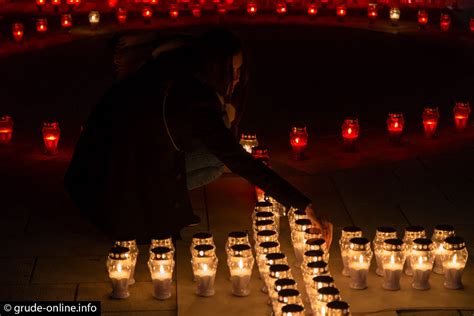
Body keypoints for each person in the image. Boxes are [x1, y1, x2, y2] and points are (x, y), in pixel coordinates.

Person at [64, 28, 333, 245]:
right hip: (115, 188)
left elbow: (173, 40)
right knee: (216, 161)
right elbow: (239, 160)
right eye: (233, 71)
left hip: (96, 169)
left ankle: (160, 199)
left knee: (211, 159)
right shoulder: (195, 99)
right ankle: (153, 206)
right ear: (217, 68)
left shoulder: (182, 63)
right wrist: (301, 205)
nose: (238, 78)